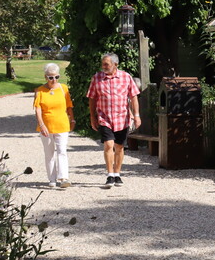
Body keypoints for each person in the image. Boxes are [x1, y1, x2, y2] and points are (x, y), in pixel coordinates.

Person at [87, 52, 141, 189]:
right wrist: (92, 117)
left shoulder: (126, 77)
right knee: (108, 144)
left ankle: (117, 174)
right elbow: (92, 98)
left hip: (122, 118)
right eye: (103, 64)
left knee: (119, 146)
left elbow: (134, 97)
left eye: (106, 64)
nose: (103, 67)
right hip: (104, 117)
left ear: (115, 64)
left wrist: (137, 115)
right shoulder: (97, 78)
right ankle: (110, 174)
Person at [34, 63, 75, 188]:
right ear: (45, 77)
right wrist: (41, 125)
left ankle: (63, 178)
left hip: (62, 124)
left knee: (62, 151)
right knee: (49, 153)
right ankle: (52, 179)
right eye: (51, 77)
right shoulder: (39, 91)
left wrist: (72, 120)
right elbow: (37, 109)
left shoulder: (63, 88)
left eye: (56, 77)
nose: (54, 80)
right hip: (46, 126)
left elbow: (69, 106)